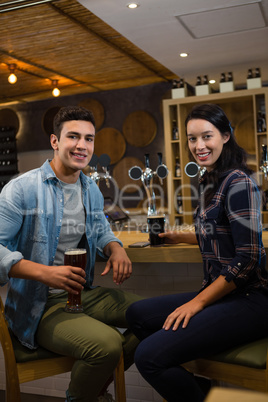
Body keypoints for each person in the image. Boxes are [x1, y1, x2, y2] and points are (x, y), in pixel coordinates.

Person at [126, 103, 268, 402]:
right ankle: (204, 394)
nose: (198, 146)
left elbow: (248, 258)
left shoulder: (240, 182)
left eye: (207, 136)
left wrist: (196, 304)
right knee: (137, 315)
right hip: (225, 295)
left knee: (148, 357)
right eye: (192, 139)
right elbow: (220, 234)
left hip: (252, 300)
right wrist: (177, 236)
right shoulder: (209, 181)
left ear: (225, 136)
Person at [0, 106, 142, 402]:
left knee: (156, 318)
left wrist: (114, 248)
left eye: (89, 139)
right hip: (38, 305)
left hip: (81, 293)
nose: (82, 145)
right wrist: (46, 273)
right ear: (55, 141)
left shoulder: (89, 189)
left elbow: (101, 228)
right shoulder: (21, 189)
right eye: (73, 136)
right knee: (106, 345)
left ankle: (94, 391)